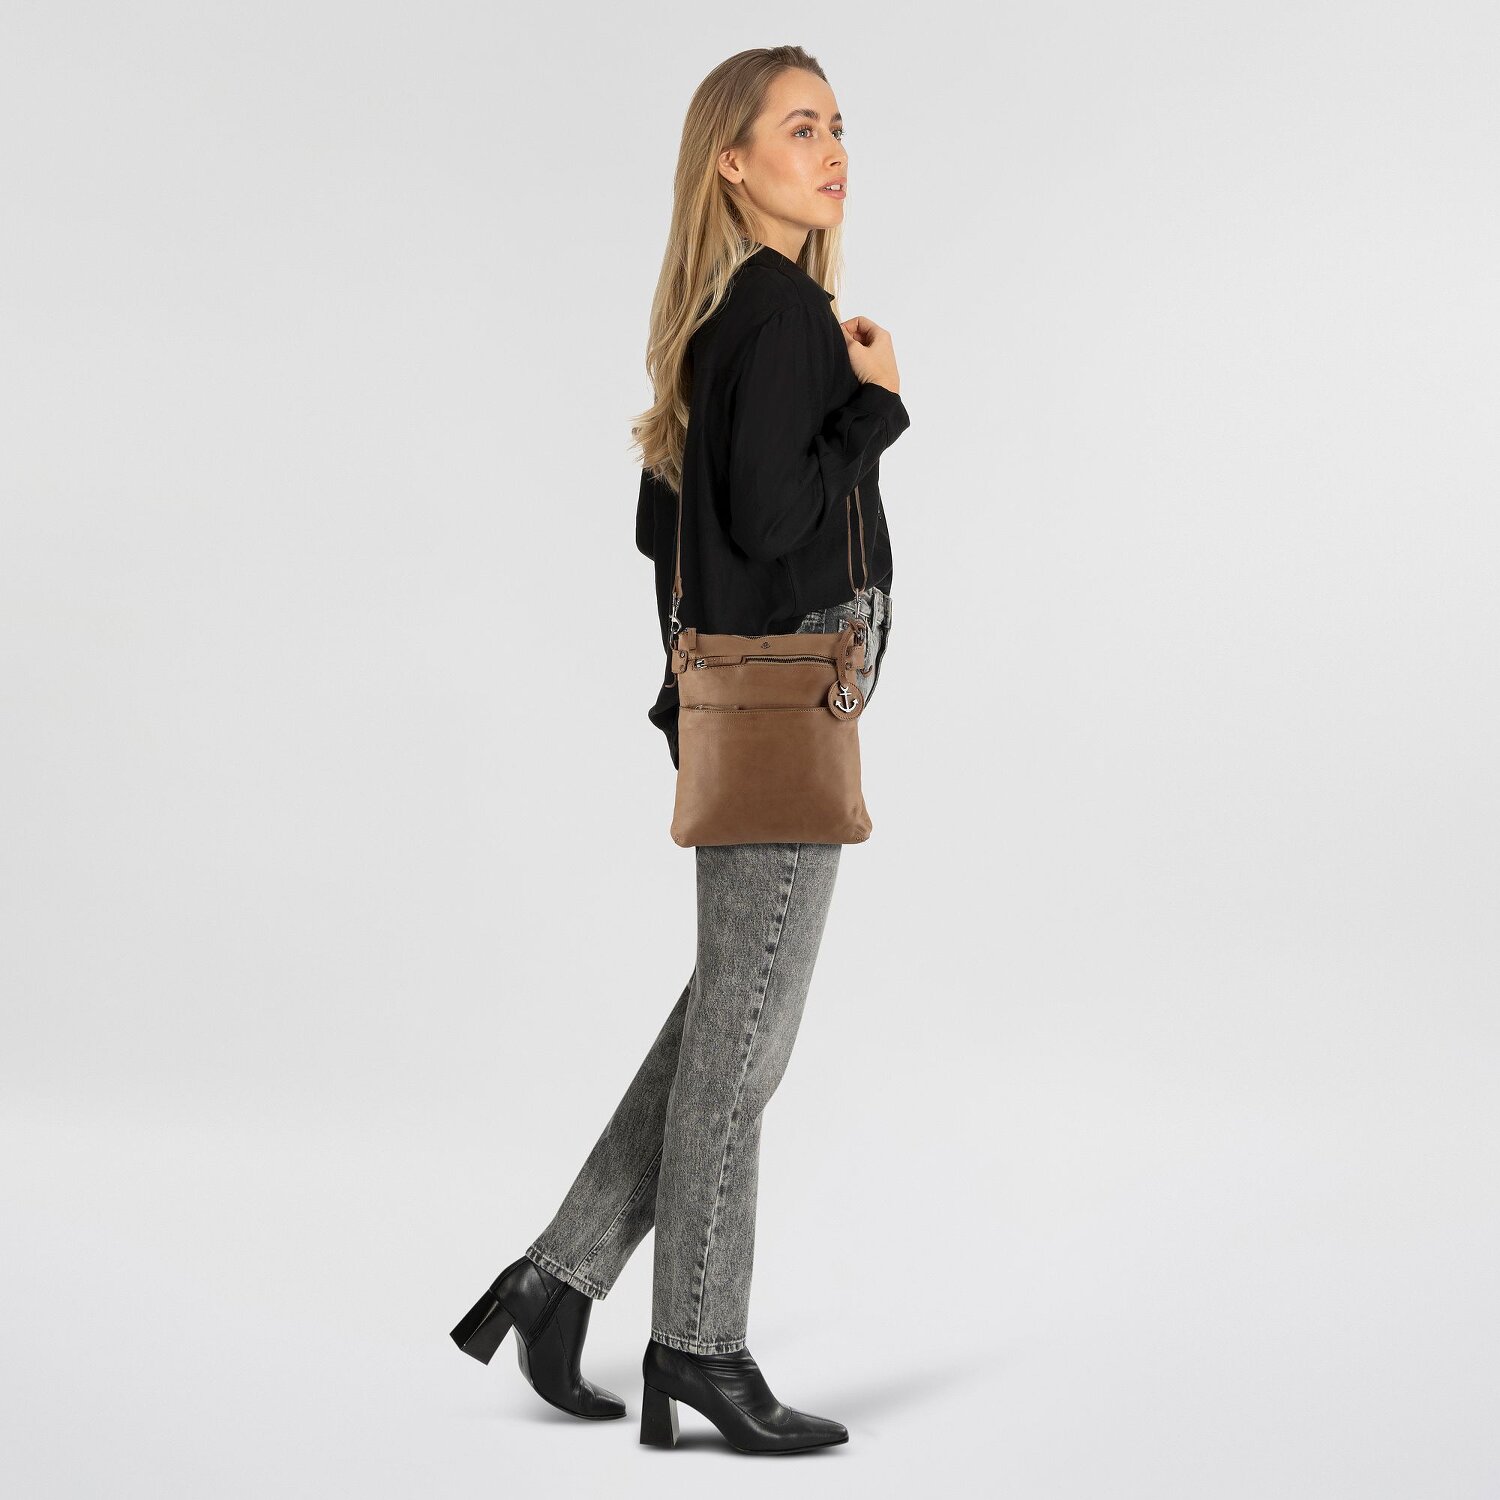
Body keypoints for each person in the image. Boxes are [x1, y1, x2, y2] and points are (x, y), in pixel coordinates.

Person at [449, 44, 909, 1457]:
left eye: (837, 126)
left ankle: (556, 1280)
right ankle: (699, 1348)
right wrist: (878, 410)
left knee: (725, 1019)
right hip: (786, 710)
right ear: (733, 161)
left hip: (748, 705)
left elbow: (668, 527)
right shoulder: (783, 316)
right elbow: (770, 519)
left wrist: (687, 695)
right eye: (799, 128)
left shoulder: (724, 318)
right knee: (745, 1049)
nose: (832, 150)